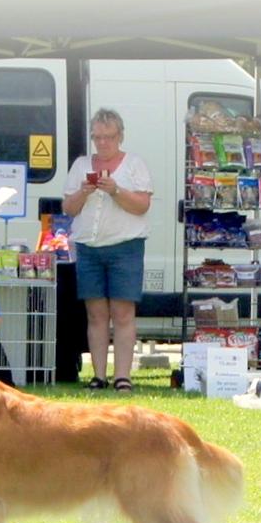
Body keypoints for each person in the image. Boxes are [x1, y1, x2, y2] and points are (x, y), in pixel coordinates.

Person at [62, 108, 153, 394]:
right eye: (97, 137)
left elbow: (142, 206)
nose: (102, 143)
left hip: (125, 246)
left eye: (109, 137)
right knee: (96, 314)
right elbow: (68, 208)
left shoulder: (135, 164)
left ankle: (123, 375)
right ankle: (98, 375)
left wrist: (115, 190)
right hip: (89, 246)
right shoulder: (80, 165)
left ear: (120, 136)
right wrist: (83, 192)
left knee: (123, 312)